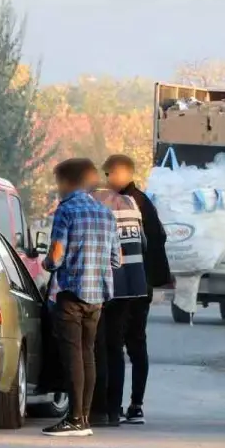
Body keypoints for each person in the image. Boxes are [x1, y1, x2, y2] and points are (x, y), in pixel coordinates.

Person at [41, 158, 120, 438]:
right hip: (97, 296)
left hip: (71, 293)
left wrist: (47, 264)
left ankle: (73, 418)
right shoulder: (105, 213)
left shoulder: (66, 210)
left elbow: (57, 254)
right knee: (88, 354)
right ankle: (84, 416)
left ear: (66, 182)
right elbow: (116, 259)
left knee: (72, 354)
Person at [103, 153, 171, 424]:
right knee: (137, 344)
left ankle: (115, 406)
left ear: (119, 175)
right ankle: (136, 404)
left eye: (108, 175)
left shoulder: (123, 203)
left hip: (123, 285)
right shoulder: (145, 202)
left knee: (115, 344)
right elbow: (159, 237)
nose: (106, 181)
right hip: (142, 286)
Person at [83, 160, 148, 427]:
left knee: (101, 347)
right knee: (116, 346)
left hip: (109, 282)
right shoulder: (132, 203)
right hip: (133, 284)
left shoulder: (96, 206)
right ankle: (113, 410)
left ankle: (101, 409)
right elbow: (143, 242)